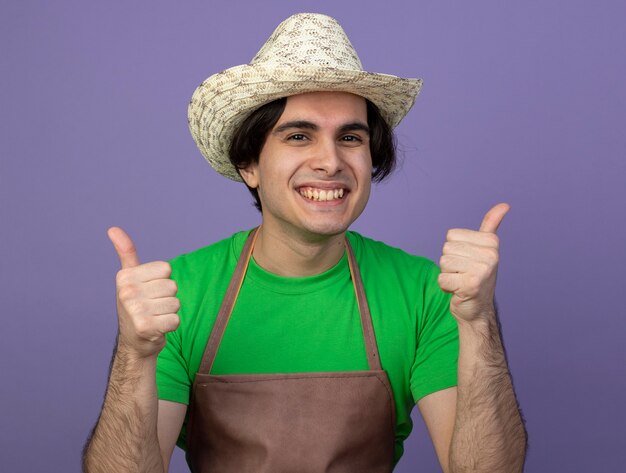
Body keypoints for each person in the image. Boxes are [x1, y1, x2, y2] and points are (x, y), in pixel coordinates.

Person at [83, 13, 527, 473]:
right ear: (248, 165)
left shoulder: (426, 292)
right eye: (299, 136)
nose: (330, 161)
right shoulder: (178, 295)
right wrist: (134, 359)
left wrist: (478, 326)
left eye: (350, 137)